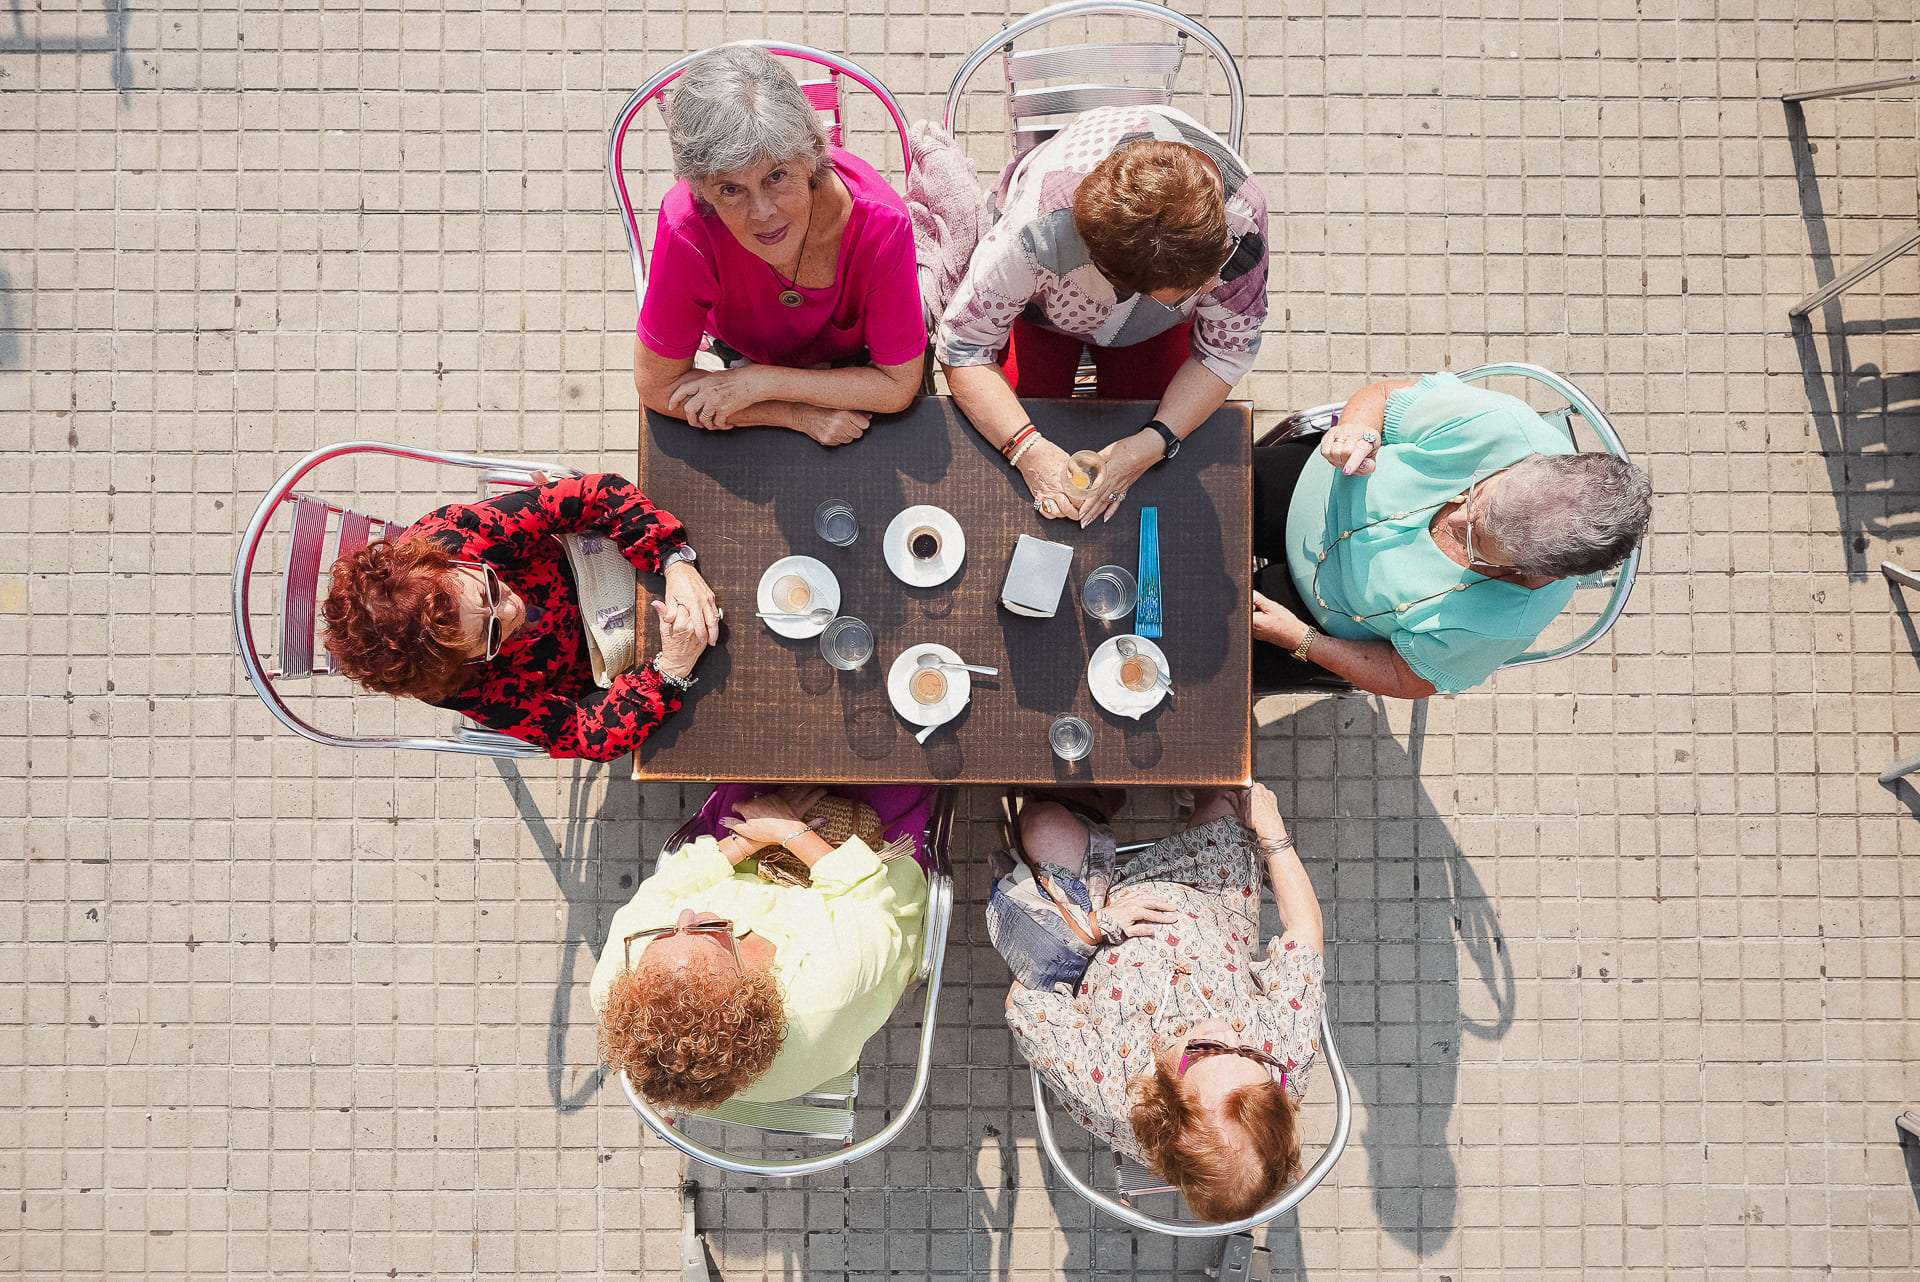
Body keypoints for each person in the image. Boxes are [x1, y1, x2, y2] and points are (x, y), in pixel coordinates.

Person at [1001, 784, 1325, 1224]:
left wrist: (1097, 926)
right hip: (1211, 901)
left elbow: (1025, 998)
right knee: (1225, 790)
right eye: (1250, 1051)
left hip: (1095, 914)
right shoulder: (1283, 1068)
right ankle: (1183, 798)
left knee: (1041, 825)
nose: (1225, 1031)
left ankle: (1093, 804)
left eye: (1205, 1050)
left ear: (1163, 1100)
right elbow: (1303, 930)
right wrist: (1274, 836)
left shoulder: (1112, 1092)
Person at [936, 104, 1270, 528]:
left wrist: (1153, 442)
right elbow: (966, 345)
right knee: (1002, 461)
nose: (1210, 294)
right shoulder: (1035, 230)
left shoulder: (1241, 225)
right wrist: (1028, 450)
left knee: (1157, 465)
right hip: (1042, 311)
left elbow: (1225, 351)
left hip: (1149, 333)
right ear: (1106, 274)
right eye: (1184, 297)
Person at [1250, 372, 1653, 698]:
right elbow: (1386, 397)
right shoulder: (1504, 427)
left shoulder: (1504, 624)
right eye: (1479, 495)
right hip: (1315, 484)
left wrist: (1302, 641)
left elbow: (1407, 676)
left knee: (1201, 651)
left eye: (1475, 542)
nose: (1456, 519)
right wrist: (1358, 428)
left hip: (1309, 616)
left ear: (1535, 573)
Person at [632, 45, 927, 447]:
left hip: (841, 366)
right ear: (700, 187)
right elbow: (657, 386)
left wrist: (759, 382)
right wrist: (793, 414)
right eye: (731, 189)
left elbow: (896, 386)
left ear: (810, 154)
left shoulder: (881, 225)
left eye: (776, 175)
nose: (763, 212)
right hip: (736, 359)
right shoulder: (687, 226)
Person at [321, 473, 718, 761]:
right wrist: (669, 671)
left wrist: (672, 561)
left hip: (617, 564)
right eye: (492, 635)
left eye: (489, 589)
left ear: (452, 562)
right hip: (623, 663)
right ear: (463, 662)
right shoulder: (449, 681)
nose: (512, 610)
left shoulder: (454, 536)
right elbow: (581, 734)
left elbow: (596, 495)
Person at [593, 785, 933, 1110]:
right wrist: (788, 830)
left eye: (664, 934)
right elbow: (866, 895)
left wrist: (745, 842)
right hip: (866, 878)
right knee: (900, 775)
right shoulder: (826, 992)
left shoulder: (621, 988)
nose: (687, 914)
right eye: (710, 931)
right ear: (749, 988)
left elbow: (664, 890)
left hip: (748, 854)